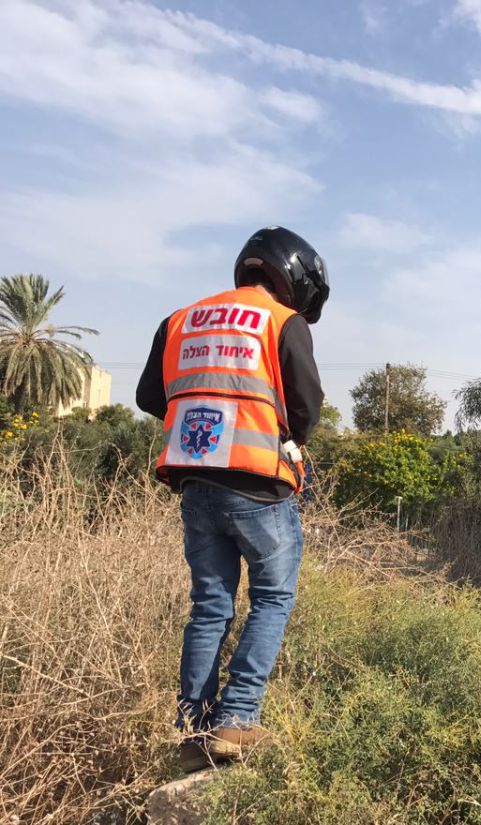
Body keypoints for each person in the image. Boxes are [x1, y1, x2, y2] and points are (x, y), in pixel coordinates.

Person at [136, 227, 328, 773]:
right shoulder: (280, 322)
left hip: (196, 485)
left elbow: (150, 394)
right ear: (292, 277)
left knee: (210, 606)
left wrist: (203, 415)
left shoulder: (180, 320)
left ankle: (192, 729)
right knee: (271, 599)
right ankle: (236, 719)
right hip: (258, 485)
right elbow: (306, 408)